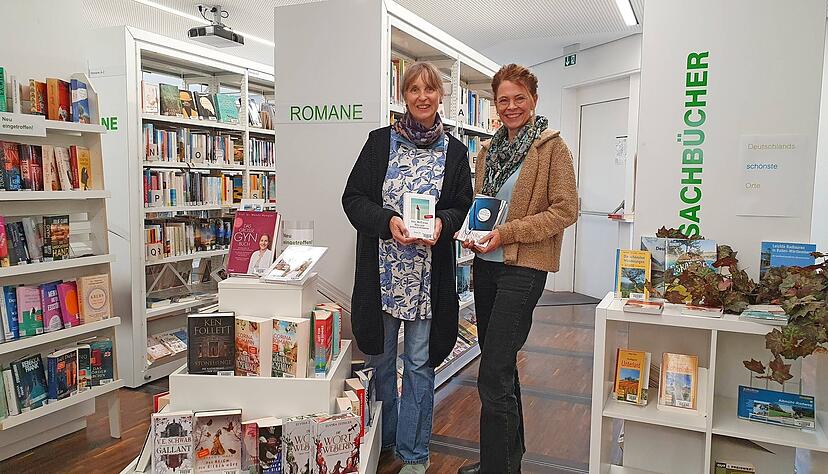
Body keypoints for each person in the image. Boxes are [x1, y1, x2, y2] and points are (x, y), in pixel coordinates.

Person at [342, 62, 473, 473]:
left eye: (429, 90)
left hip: (427, 283)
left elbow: (461, 205)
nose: (422, 97)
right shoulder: (379, 143)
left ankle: (414, 453)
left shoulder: (455, 152)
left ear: (441, 96)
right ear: (403, 95)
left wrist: (442, 223)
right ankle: (384, 441)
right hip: (382, 277)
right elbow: (353, 198)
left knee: (418, 364)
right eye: (413, 89)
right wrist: (387, 222)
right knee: (379, 360)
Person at [458, 64, 579, 474]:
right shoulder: (489, 150)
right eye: (503, 99)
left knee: (492, 375)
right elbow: (484, 206)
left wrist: (507, 232)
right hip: (485, 266)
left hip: (523, 270)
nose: (511, 107)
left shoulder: (551, 148)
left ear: (534, 100)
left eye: (519, 98)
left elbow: (566, 209)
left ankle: (500, 467)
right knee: (501, 368)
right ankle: (503, 461)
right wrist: (472, 231)